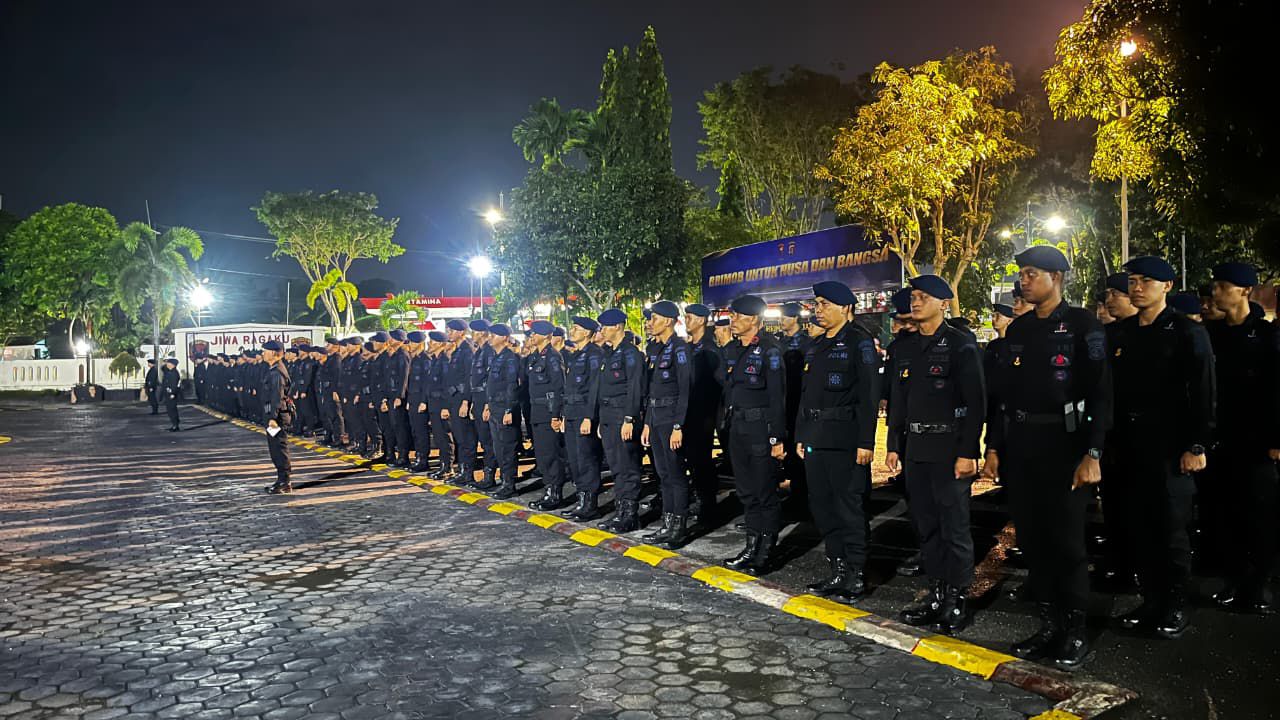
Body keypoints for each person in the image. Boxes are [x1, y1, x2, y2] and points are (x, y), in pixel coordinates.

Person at [984, 245, 1109, 670]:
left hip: (1065, 447)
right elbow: (1003, 397)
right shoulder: (1019, 331)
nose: (1023, 281)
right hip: (1022, 448)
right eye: (1021, 274)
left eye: (1031, 274)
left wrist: (1093, 452)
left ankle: (1073, 632)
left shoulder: (1082, 325)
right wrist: (994, 447)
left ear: (1056, 277)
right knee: (1034, 542)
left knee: (1066, 544)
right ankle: (1048, 626)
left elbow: (1101, 394)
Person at [1109, 256, 1215, 640]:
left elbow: (1203, 391)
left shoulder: (1186, 332)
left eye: (1146, 281)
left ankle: (1174, 604)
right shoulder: (1123, 333)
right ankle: (1150, 600)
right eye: (1133, 281)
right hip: (1130, 446)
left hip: (1171, 446)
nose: (1137, 287)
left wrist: (1197, 443)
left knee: (1171, 531)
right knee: (1140, 528)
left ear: (1167, 287)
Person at [887, 276, 986, 632]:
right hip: (916, 449)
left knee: (954, 528)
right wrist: (894, 445)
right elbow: (898, 402)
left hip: (949, 449)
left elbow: (976, 404)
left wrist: (968, 451)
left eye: (923, 297)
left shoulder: (961, 345)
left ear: (944, 303)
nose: (915, 302)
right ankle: (937, 592)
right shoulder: (905, 348)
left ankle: (957, 599)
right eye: (913, 296)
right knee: (926, 527)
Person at [797, 281, 880, 599]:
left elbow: (869, 396)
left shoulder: (859, 342)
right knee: (823, 507)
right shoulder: (818, 345)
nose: (818, 310)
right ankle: (838, 570)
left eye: (824, 304)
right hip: (816, 439)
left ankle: (857, 575)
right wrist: (801, 436)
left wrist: (866, 442)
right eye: (816, 304)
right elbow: (807, 397)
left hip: (846, 440)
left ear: (846, 308)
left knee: (849, 508)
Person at [1205, 262, 1280, 614]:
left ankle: (1259, 585)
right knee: (1225, 515)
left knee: (1260, 516)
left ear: (1245, 291)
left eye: (1223, 286)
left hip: (1257, 443)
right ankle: (1234, 581)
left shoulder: (1266, 336)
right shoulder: (1212, 333)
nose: (1215, 292)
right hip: (1221, 441)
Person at [720, 295, 788, 575]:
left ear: (754, 320)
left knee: (764, 493)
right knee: (747, 493)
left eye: (737, 316)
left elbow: (777, 397)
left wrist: (777, 438)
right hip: (738, 429)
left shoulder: (771, 351)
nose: (732, 321)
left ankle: (766, 552)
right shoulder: (735, 350)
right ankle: (751, 547)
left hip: (761, 431)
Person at [641, 300, 694, 547]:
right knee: (663, 474)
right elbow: (652, 391)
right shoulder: (658, 348)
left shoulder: (679, 348)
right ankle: (668, 523)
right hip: (656, 418)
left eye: (654, 318)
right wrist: (648, 424)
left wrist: (678, 426)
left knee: (675, 474)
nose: (650, 323)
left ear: (669, 321)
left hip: (671, 419)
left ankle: (679, 528)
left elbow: (685, 389)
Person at [593, 308, 648, 532]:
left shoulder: (630, 353)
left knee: (628, 467)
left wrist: (629, 418)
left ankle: (630, 515)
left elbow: (635, 388)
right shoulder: (609, 353)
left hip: (622, 417)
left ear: (617, 326)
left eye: (605, 326)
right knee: (616, 467)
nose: (602, 331)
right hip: (608, 417)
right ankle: (621, 511)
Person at [560, 316, 606, 520]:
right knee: (575, 460)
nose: (572, 331)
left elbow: (594, 389)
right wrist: (563, 414)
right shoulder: (577, 355)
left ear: (587, 332)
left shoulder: (594, 355)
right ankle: (581, 500)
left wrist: (589, 417)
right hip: (571, 413)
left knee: (587, 459)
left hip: (583, 415)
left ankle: (590, 504)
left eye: (576, 328)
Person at [524, 320, 572, 510]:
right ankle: (548, 489)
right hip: (537, 411)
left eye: (535, 333)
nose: (531, 336)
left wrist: (555, 415)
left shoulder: (553, 356)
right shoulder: (535, 356)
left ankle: (555, 493)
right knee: (543, 455)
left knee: (551, 455)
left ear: (546, 335)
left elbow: (558, 387)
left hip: (547, 412)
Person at [683, 303, 721, 523]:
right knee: (693, 461)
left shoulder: (709, 349)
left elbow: (714, 385)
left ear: (701, 320)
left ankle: (707, 504)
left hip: (703, 415)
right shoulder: (690, 347)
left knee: (702, 461)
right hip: (690, 414)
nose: (686, 320)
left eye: (689, 317)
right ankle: (700, 498)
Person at [776, 302, 810, 512]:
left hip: (798, 403)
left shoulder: (807, 344)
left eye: (786, 317)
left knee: (799, 452)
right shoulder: (779, 343)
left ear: (796, 318)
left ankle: (801, 496)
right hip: (782, 402)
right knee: (785, 449)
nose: (782, 321)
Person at [482, 324, 523, 498]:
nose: (490, 337)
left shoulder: (510, 358)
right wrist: (487, 406)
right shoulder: (495, 358)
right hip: (494, 407)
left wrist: (509, 409)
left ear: (505, 338)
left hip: (505, 409)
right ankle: (503, 480)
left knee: (507, 448)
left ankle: (509, 484)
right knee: (498, 447)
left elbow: (512, 386)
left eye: (494, 335)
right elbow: (491, 386)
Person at [443, 319, 476, 483]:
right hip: (454, 399)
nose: (449, 333)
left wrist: (465, 401)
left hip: (462, 400)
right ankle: (462, 471)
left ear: (461, 332)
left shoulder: (467, 351)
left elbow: (469, 378)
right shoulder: (457, 351)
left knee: (465, 438)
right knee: (459, 437)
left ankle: (467, 473)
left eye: (451, 331)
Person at [259, 340, 294, 494]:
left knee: (279, 449)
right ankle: (281, 480)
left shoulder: (277, 372)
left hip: (277, 417)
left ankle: (285, 482)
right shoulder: (273, 369)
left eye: (264, 351)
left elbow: (277, 397)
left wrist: (272, 418)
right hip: (273, 415)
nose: (262, 354)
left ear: (273, 353)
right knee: (275, 449)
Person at [470, 319, 497, 487]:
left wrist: (487, 404)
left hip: (486, 400)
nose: (471, 335)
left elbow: (490, 381)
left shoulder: (489, 352)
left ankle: (490, 476)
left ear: (481, 333)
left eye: (473, 332)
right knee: (484, 439)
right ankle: (488, 473)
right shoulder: (479, 352)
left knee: (489, 440)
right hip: (478, 399)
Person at [382, 329, 414, 468]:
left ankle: (403, 456)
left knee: (400, 427)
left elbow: (404, 377)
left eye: (392, 338)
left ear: (399, 340)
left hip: (397, 397)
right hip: (390, 395)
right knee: (393, 426)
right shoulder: (393, 355)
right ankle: (396, 454)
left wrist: (399, 396)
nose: (390, 341)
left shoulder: (402, 355)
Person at [405, 331, 433, 472]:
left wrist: (423, 401)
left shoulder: (425, 359)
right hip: (413, 399)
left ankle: (423, 460)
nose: (409, 345)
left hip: (421, 400)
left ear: (420, 343)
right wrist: (410, 400)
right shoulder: (414, 359)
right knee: (415, 431)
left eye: (411, 342)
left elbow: (426, 383)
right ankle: (418, 457)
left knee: (421, 432)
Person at [160, 357, 182, 431]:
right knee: (169, 410)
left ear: (173, 365)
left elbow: (175, 385)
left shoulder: (174, 373)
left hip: (171, 394)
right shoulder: (169, 371)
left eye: (169, 363)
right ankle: (174, 424)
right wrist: (164, 363)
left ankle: (175, 425)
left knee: (172, 409)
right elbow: (163, 369)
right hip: (168, 393)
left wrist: (173, 393)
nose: (167, 364)